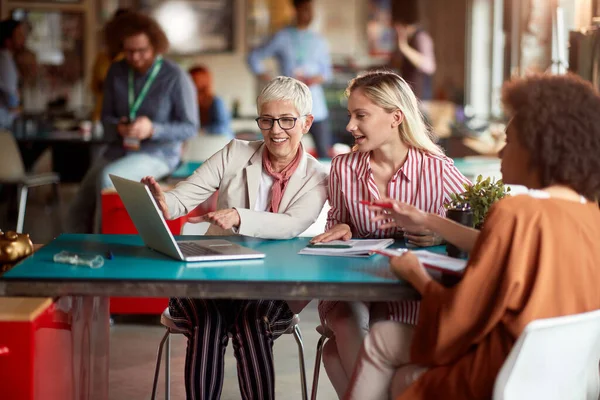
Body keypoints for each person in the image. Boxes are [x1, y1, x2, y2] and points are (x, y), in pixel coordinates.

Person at [344, 73, 600, 400]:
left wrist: (416, 275)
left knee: (386, 345)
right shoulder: (590, 215)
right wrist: (427, 219)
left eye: (510, 140)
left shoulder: (516, 213)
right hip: (557, 379)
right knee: (399, 366)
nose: (501, 152)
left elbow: (457, 320)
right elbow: (499, 246)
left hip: (497, 368)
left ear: (538, 146)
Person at [142, 76, 329, 400]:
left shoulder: (317, 177)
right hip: (211, 276)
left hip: (273, 286)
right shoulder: (235, 152)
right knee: (208, 322)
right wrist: (163, 201)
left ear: (307, 123)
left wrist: (239, 215)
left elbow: (292, 224)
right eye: (267, 120)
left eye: (286, 120)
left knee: (253, 323)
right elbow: (183, 198)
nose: (275, 130)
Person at [310, 70, 469, 398]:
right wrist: (343, 228)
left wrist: (440, 234)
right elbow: (337, 222)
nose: (350, 126)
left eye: (361, 116)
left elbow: (483, 225)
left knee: (332, 355)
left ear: (396, 117)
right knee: (343, 318)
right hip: (353, 287)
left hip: (410, 293)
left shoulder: (437, 169)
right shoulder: (343, 168)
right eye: (351, 115)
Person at [66, 12, 198, 233]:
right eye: (129, 51)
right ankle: (76, 253)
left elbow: (190, 127)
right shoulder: (116, 72)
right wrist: (118, 127)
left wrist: (152, 129)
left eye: (142, 51)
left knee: (108, 180)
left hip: (159, 154)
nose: (136, 57)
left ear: (155, 46)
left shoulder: (175, 76)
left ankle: (105, 250)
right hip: (118, 149)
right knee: (78, 207)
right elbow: (106, 118)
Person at [247, 0, 333, 158]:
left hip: (316, 107)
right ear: (296, 10)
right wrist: (269, 79)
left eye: (310, 10)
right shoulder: (282, 37)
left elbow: (327, 72)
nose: (307, 14)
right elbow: (254, 57)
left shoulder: (318, 40)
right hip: (287, 106)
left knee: (323, 153)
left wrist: (315, 79)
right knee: (283, 152)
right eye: (304, 10)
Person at [387, 6, 435, 100]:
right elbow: (397, 65)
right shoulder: (405, 40)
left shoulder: (421, 37)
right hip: (409, 95)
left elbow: (429, 66)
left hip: (421, 97)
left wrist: (404, 48)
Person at [90, 8, 129, 122]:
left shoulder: (132, 59)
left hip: (125, 119)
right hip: (101, 116)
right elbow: (94, 87)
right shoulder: (102, 57)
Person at [188, 65, 233, 137]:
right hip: (200, 142)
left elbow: (223, 128)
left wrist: (201, 131)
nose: (189, 82)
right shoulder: (190, 102)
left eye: (194, 79)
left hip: (218, 143)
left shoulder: (216, 101)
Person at [0, 19, 25, 130]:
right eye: (19, 34)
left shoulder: (7, 58)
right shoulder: (4, 60)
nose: (23, 38)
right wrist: (18, 107)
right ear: (8, 40)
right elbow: (11, 97)